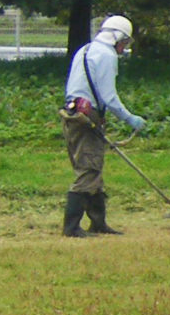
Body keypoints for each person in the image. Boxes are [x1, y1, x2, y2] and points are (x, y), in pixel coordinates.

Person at [61, 14, 145, 237]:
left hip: (73, 112)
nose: (124, 48)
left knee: (93, 168)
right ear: (118, 38)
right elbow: (109, 96)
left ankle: (98, 222)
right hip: (87, 117)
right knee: (89, 170)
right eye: (124, 43)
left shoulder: (85, 49)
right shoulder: (107, 56)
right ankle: (71, 227)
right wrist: (130, 118)